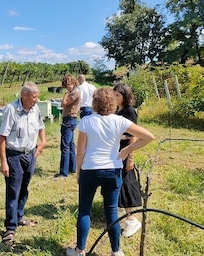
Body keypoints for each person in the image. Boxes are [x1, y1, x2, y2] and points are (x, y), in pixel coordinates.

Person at [66, 88, 155, 256]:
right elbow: (148, 136)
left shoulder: (86, 121)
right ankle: (116, 250)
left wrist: (78, 171)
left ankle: (79, 250)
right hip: (112, 171)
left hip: (90, 169)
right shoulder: (119, 121)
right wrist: (128, 149)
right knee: (111, 211)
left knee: (85, 210)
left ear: (94, 103)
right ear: (113, 103)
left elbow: (80, 151)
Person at [0, 81, 46, 245]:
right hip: (14, 156)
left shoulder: (35, 109)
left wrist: (43, 142)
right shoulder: (11, 110)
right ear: (24, 95)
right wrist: (4, 162)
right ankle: (10, 228)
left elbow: (41, 126)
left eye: (37, 96)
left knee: (24, 188)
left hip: (30, 155)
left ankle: (19, 216)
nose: (36, 100)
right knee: (13, 191)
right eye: (34, 96)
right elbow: (2, 137)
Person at [114, 83, 143, 238]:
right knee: (118, 182)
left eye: (118, 95)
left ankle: (131, 219)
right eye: (114, 94)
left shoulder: (129, 111)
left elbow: (134, 135)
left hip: (125, 150)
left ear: (125, 96)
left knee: (125, 183)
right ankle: (123, 214)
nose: (115, 97)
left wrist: (130, 156)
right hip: (116, 150)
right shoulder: (116, 110)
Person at [56, 74, 81, 178]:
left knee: (65, 146)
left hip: (69, 120)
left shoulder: (74, 93)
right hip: (70, 120)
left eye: (70, 83)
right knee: (70, 145)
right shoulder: (74, 92)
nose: (68, 86)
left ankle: (63, 173)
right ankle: (72, 167)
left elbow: (63, 104)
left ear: (74, 82)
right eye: (66, 84)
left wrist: (66, 94)